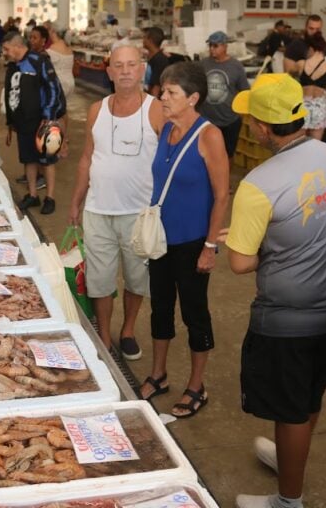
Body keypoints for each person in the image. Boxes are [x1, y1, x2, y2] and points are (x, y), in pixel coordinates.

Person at [222, 73, 326, 508]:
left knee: (290, 409)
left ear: (262, 127)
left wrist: (262, 244)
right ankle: (290, 460)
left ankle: (287, 500)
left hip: (289, 317)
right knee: (310, 395)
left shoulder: (258, 184)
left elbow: (240, 262)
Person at [138, 61, 229, 418]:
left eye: (171, 93)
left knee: (194, 313)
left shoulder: (209, 136)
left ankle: (197, 386)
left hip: (193, 242)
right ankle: (158, 374)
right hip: (161, 238)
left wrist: (210, 246)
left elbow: (222, 195)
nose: (162, 97)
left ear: (193, 98)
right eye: (163, 90)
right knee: (160, 306)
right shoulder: (166, 130)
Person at [68, 44, 164, 358]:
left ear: (142, 69)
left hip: (138, 214)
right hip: (98, 210)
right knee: (99, 280)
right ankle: (106, 337)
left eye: (131, 64)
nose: (124, 71)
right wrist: (77, 200)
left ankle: (127, 330)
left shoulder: (156, 110)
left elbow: (170, 161)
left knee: (137, 279)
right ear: (108, 72)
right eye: (118, 65)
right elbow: (86, 159)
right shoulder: (97, 110)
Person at [3, 31, 66, 215]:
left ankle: (50, 197)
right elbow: (10, 95)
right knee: (28, 159)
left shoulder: (39, 61)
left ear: (17, 46)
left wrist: (48, 117)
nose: (5, 52)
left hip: (43, 121)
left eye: (7, 49)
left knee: (47, 160)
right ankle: (32, 195)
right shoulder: (12, 66)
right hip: (22, 122)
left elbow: (54, 88)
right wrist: (10, 122)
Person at [200, 31, 250, 160]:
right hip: (207, 119)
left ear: (225, 46)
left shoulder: (236, 66)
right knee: (207, 155)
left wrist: (240, 114)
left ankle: (225, 179)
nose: (212, 49)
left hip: (229, 120)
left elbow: (244, 91)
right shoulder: (203, 64)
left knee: (227, 155)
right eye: (210, 45)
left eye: (215, 46)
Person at [299, 32, 326, 141]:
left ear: (311, 48)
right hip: (319, 109)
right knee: (315, 145)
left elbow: (288, 75)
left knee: (299, 145)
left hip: (302, 108)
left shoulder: (301, 64)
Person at [46, 24, 75, 98]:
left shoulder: (53, 48)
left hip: (59, 82)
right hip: (70, 82)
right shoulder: (69, 47)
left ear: (53, 32)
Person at [143, 27, 169, 97]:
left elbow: (156, 88)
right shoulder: (153, 57)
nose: (143, 40)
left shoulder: (159, 60)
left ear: (150, 40)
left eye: (145, 37)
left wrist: (151, 105)